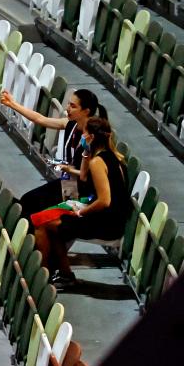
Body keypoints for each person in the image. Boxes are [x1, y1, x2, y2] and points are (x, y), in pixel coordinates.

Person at [34, 117, 131, 289]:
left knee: (43, 224)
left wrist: (80, 212)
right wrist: (86, 152)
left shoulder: (98, 162)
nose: (81, 134)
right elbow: (84, 177)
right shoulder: (112, 156)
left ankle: (42, 279)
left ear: (91, 136)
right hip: (109, 216)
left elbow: (104, 201)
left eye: (85, 132)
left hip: (107, 223)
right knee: (47, 219)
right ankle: (64, 274)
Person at [0, 88, 106, 221]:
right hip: (68, 182)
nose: (68, 108)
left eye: (73, 106)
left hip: (82, 192)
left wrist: (69, 169)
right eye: (68, 104)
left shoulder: (93, 137)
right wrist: (12, 104)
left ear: (86, 111)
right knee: (28, 200)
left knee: (33, 208)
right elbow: (40, 119)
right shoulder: (70, 124)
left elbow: (89, 176)